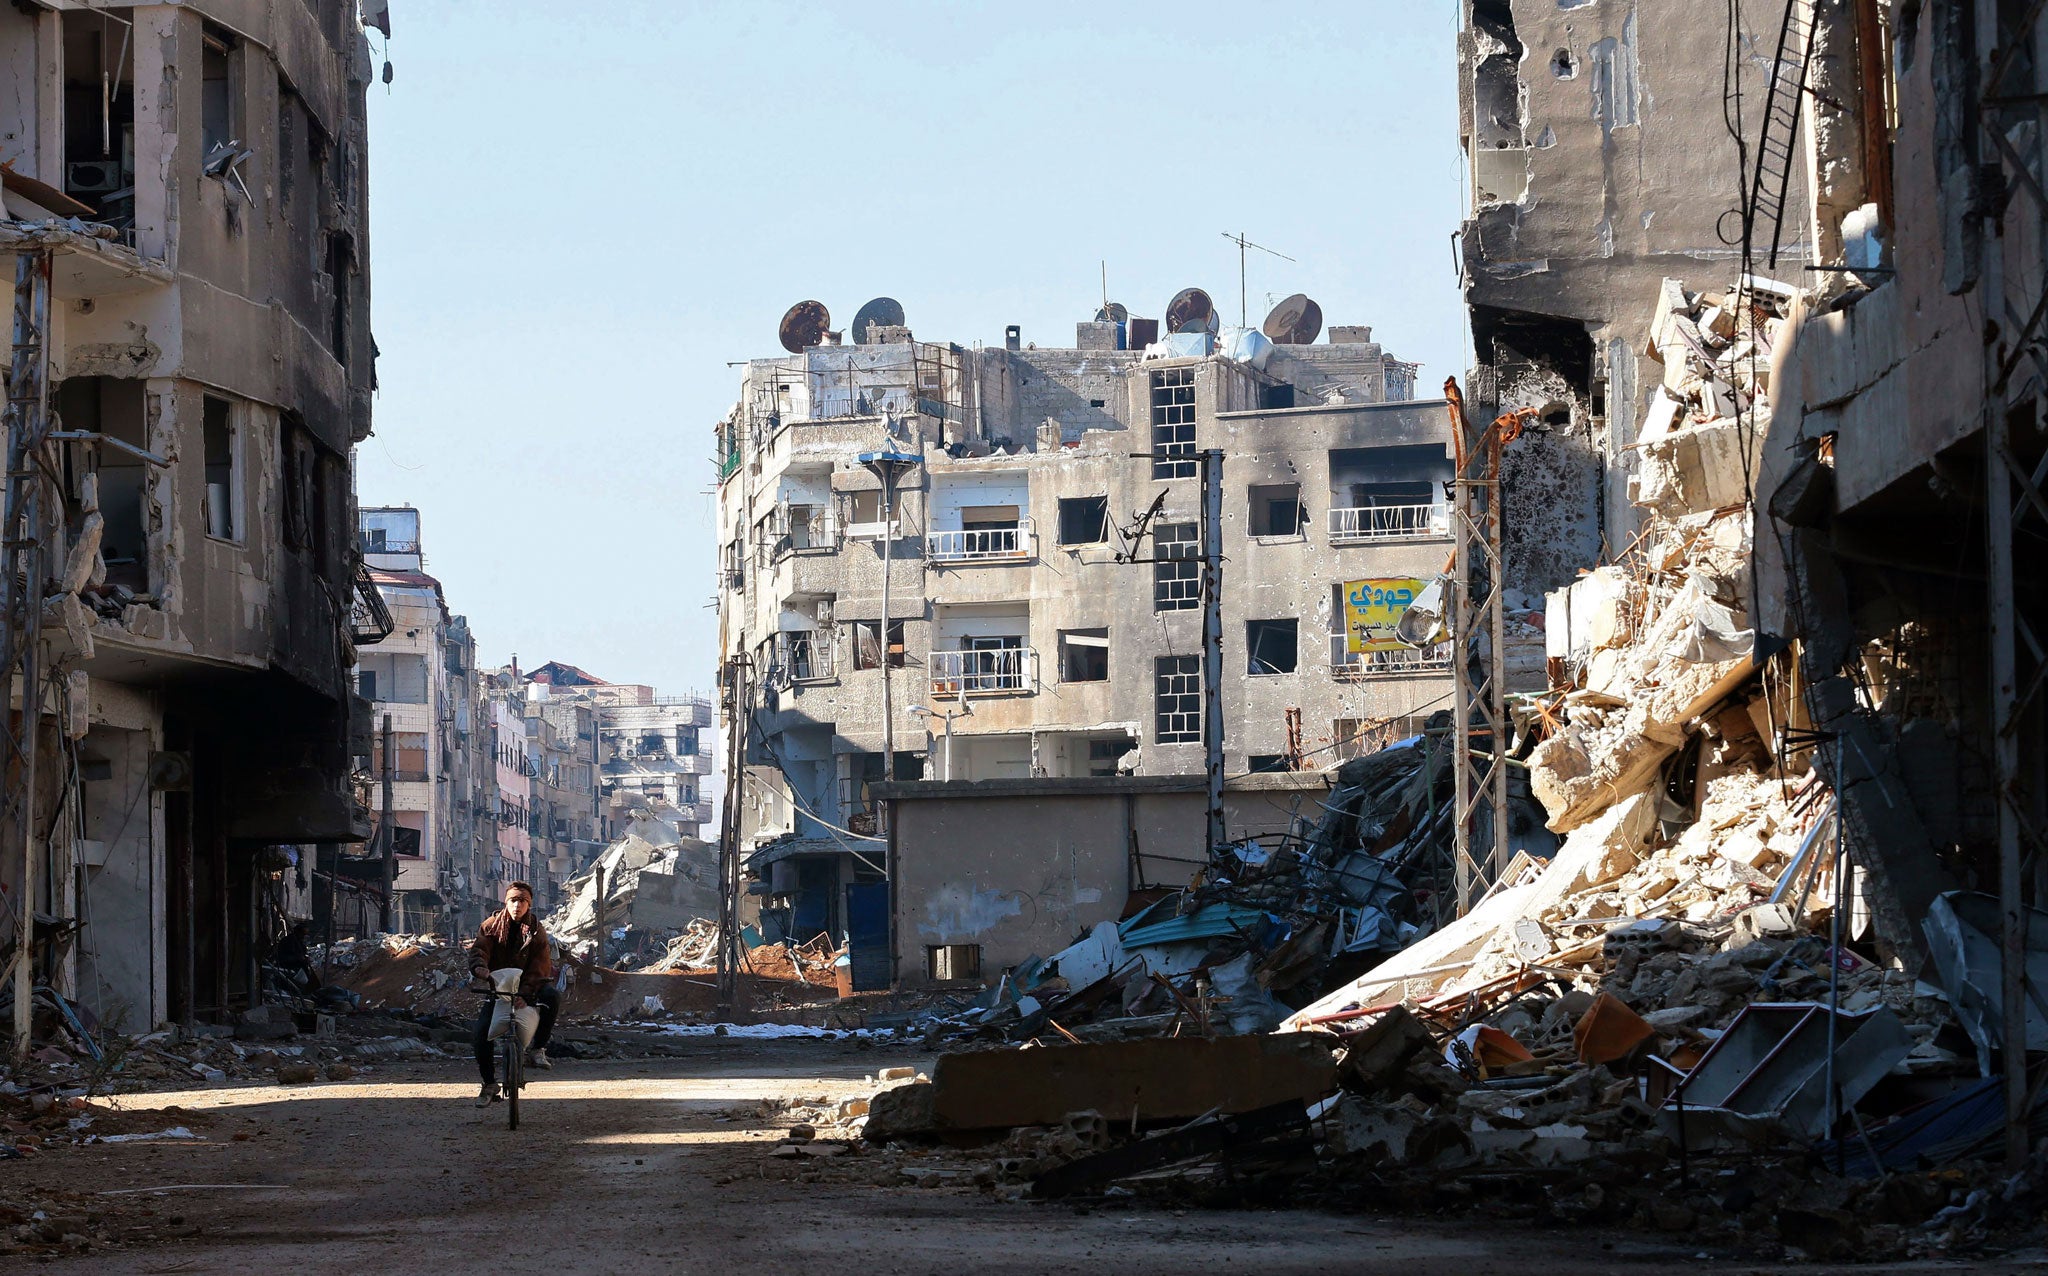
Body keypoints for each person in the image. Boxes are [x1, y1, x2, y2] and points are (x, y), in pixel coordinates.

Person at [468, 881, 559, 1107]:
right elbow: (480, 950)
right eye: (513, 900)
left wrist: (526, 993)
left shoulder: (537, 931)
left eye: (522, 901)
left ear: (529, 905)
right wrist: (480, 968)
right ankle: (489, 1083)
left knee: (552, 997)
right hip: (500, 988)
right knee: (481, 1033)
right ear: (505, 902)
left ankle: (538, 1049)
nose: (517, 906)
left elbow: (540, 965)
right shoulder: (490, 926)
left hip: (530, 986)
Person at [273, 920, 318, 997]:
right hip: (288, 968)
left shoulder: (299, 942)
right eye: (302, 934)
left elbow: (302, 954)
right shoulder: (288, 941)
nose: (303, 937)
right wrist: (299, 959)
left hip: (298, 969)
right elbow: (284, 957)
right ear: (298, 932)